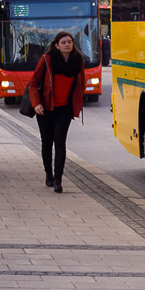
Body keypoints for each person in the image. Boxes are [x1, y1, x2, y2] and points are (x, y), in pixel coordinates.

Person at [27, 31, 86, 193]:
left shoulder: (77, 61)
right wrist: (36, 104)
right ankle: (49, 174)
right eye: (64, 42)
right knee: (47, 142)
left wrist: (77, 101)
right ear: (57, 45)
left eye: (70, 42)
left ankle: (58, 180)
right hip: (45, 108)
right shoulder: (47, 60)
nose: (67, 44)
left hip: (64, 109)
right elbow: (33, 83)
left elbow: (81, 82)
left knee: (60, 143)